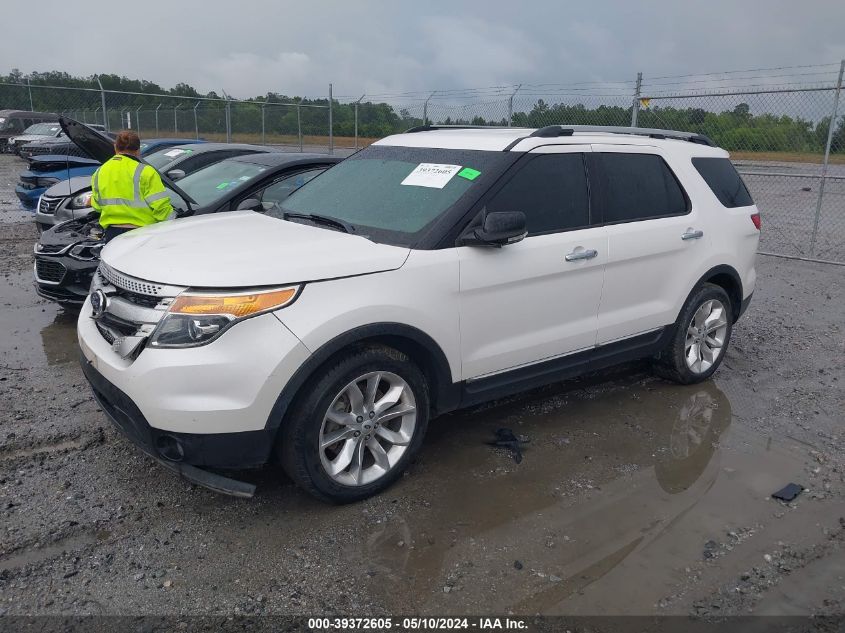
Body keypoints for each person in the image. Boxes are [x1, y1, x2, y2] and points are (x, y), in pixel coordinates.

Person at [91, 130, 173, 243]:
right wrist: (174, 224)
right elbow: (161, 207)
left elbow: (97, 206)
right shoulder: (145, 171)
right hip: (142, 233)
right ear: (138, 150)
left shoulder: (99, 172)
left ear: (115, 147)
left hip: (112, 235)